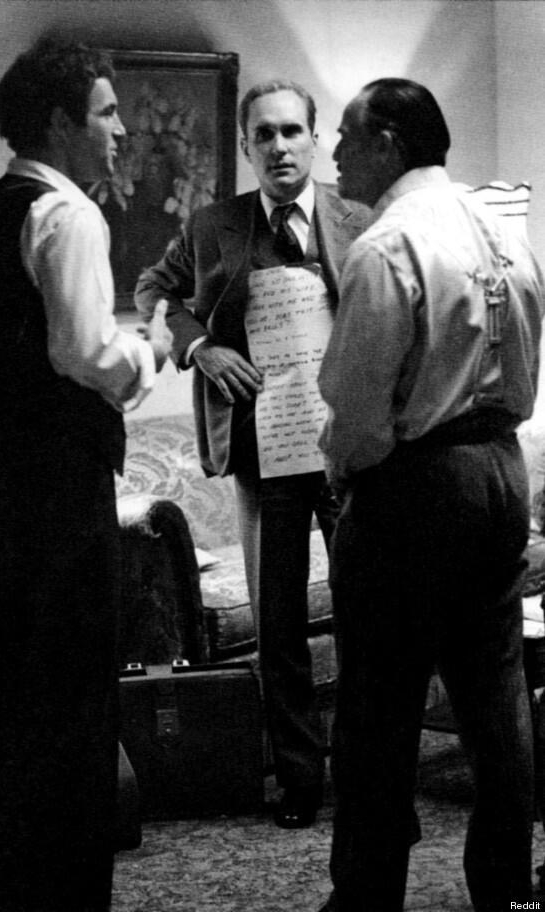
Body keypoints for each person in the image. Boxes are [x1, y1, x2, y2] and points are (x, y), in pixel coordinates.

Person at [317, 77, 544, 912]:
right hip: (500, 469)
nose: (335, 154)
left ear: (388, 143)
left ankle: (367, 896)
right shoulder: (505, 233)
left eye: (346, 136)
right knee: (497, 696)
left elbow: (358, 407)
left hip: (416, 483)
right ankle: (508, 893)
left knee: (377, 704)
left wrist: (345, 471)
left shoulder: (386, 245)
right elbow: (524, 370)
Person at [135, 78, 371, 828]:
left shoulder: (358, 216)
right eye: (263, 135)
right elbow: (152, 290)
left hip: (349, 451)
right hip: (264, 452)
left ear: (314, 138)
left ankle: (368, 777)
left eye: (291, 131)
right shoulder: (213, 226)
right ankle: (300, 781)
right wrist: (200, 346)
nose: (279, 147)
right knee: (280, 627)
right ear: (245, 147)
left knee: (370, 616)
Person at [0, 37, 170, 911]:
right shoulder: (68, 216)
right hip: (59, 495)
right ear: (60, 122)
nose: (121, 130)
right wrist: (148, 350)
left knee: (8, 700)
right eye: (106, 111)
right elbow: (85, 353)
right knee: (73, 702)